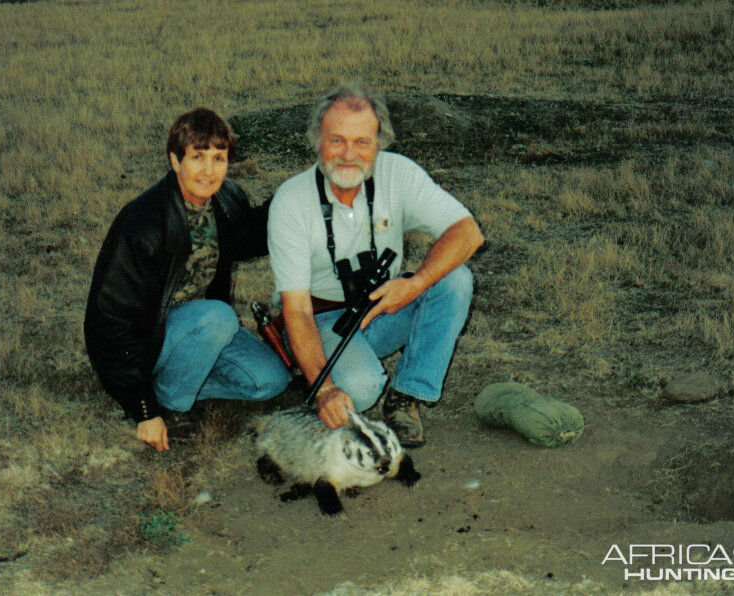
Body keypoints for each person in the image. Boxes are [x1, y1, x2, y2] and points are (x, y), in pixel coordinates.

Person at [267, 83, 483, 446]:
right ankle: (319, 371)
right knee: (361, 391)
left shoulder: (398, 173)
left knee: (455, 280)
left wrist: (414, 285)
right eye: (336, 140)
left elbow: (468, 232)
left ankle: (407, 396)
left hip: (381, 307)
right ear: (317, 141)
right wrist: (326, 392)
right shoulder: (291, 201)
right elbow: (298, 311)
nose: (349, 154)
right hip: (321, 318)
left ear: (378, 143)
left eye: (362, 142)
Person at [85, 108, 291, 452]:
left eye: (219, 158)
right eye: (197, 157)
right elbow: (109, 321)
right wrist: (144, 410)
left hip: (202, 329)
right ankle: (169, 402)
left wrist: (293, 196)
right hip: (149, 341)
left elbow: (250, 238)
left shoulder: (225, 199)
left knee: (271, 381)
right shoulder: (143, 223)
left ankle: (176, 379)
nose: (209, 171)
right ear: (175, 161)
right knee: (219, 316)